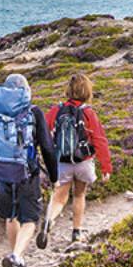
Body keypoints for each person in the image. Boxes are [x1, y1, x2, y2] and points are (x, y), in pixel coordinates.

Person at [0, 73, 58, 267]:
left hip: (1, 175)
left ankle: (17, 259)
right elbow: (47, 148)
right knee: (31, 219)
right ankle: (15, 257)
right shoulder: (33, 112)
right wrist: (54, 176)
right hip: (27, 174)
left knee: (11, 216)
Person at [38, 73, 112, 248]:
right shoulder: (88, 113)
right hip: (83, 161)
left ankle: (49, 220)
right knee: (79, 195)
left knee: (59, 198)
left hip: (62, 161)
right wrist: (106, 166)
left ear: (68, 90)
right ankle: (76, 232)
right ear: (87, 91)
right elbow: (100, 140)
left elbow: (42, 132)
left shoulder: (56, 110)